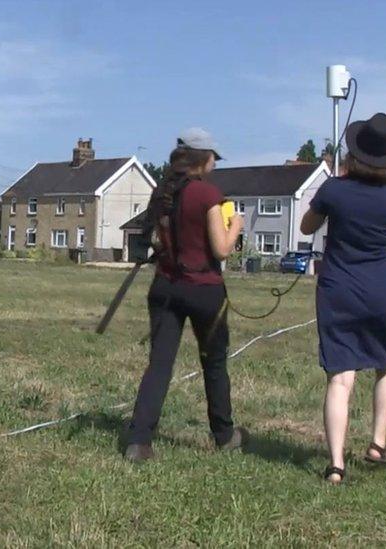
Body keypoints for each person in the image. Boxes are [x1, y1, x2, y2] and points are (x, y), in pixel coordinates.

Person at [300, 113, 386, 484]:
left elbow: (306, 226)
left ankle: (336, 465)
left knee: (340, 377)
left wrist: (334, 193)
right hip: (385, 287)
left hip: (339, 288)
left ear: (355, 152)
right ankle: (378, 444)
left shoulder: (335, 190)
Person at [124, 128, 245, 463]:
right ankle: (223, 434)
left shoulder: (162, 191)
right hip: (203, 288)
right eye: (213, 159)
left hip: (165, 285)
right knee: (214, 363)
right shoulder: (207, 195)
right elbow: (220, 250)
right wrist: (235, 225)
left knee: (159, 365)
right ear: (203, 160)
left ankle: (139, 440)